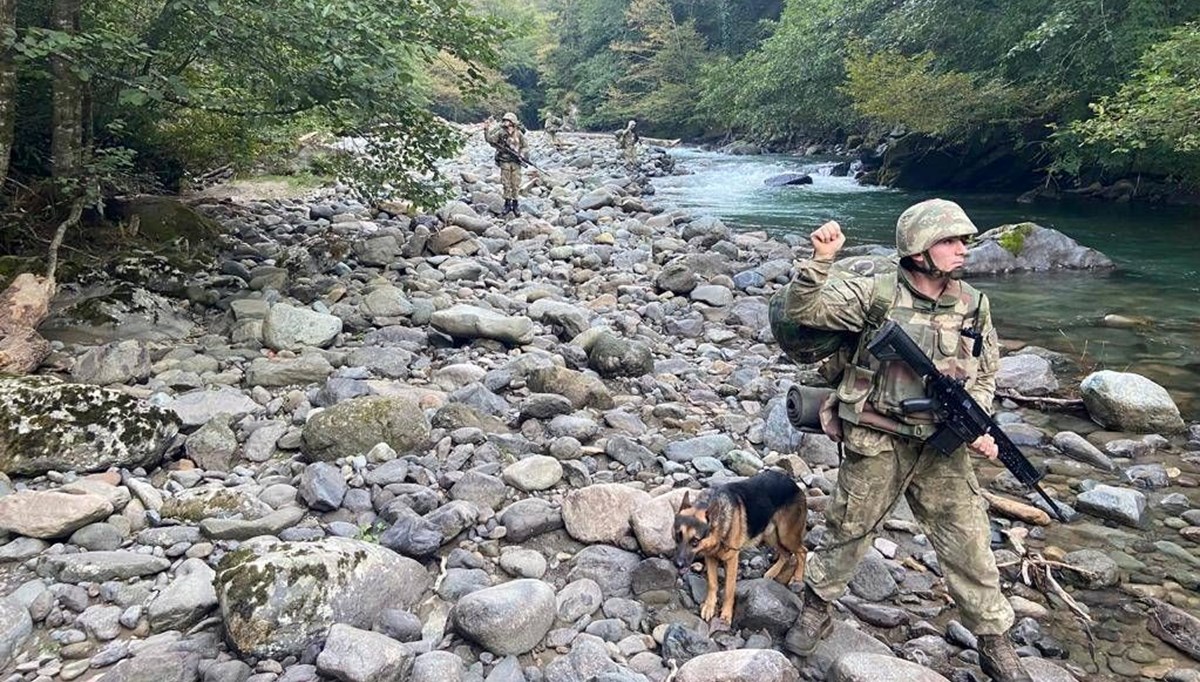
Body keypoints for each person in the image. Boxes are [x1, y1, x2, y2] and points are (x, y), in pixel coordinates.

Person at [782, 199, 1032, 682]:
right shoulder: (875, 294)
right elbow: (805, 310)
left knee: (969, 542)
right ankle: (816, 606)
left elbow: (985, 371)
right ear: (919, 249)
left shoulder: (973, 303)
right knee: (849, 529)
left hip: (942, 443)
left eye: (963, 241)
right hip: (876, 435)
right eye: (950, 241)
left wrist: (976, 424)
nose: (962, 249)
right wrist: (822, 261)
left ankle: (994, 640)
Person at [485, 112, 528, 217]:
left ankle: (515, 204)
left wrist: (521, 154)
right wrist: (486, 130)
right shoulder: (501, 132)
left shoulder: (518, 133)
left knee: (516, 183)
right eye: (504, 120)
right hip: (505, 161)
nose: (505, 123)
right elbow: (490, 140)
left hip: (516, 162)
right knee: (506, 183)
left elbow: (525, 146)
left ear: (513, 122)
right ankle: (507, 203)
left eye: (508, 121)